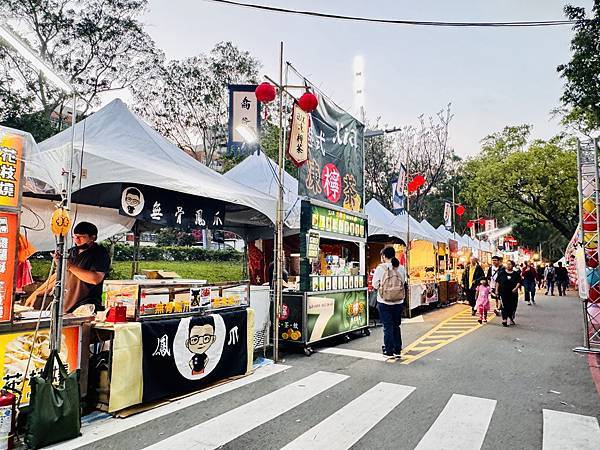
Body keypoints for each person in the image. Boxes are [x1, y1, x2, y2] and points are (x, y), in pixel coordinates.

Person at [25, 221, 111, 312]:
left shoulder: (99, 253)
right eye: (75, 237)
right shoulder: (71, 252)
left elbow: (95, 279)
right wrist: (37, 292)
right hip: (66, 305)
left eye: (82, 237)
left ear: (93, 238)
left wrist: (69, 266)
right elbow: (58, 276)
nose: (77, 240)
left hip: (86, 307)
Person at [372, 247, 406, 359]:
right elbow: (404, 281)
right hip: (399, 301)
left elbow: (375, 285)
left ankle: (389, 350)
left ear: (384, 256)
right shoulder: (401, 267)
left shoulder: (380, 268)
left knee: (387, 326)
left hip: (384, 301)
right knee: (396, 325)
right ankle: (397, 349)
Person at [496, 260, 522, 327]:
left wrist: (516, 288)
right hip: (504, 292)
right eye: (507, 264)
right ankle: (504, 319)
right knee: (504, 306)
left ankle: (510, 317)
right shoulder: (502, 273)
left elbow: (519, 282)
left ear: (513, 265)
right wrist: (496, 290)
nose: (508, 265)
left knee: (512, 306)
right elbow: (498, 282)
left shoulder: (516, 274)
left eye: (510, 264)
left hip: (513, 293)